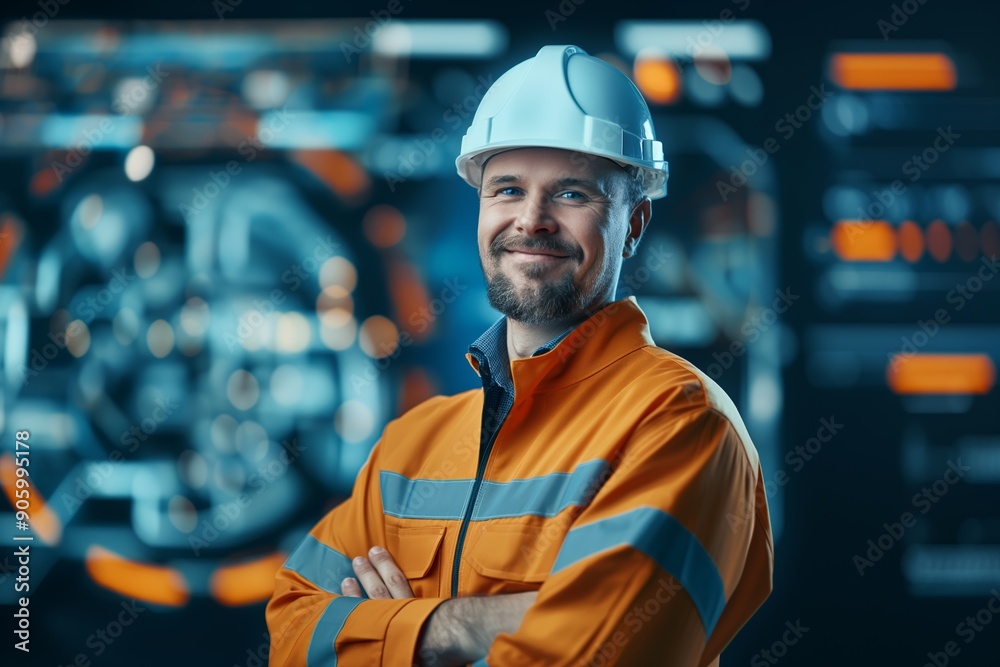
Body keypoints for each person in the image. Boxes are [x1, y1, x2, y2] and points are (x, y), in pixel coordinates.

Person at [266, 44, 773, 666]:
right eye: (507, 189)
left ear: (634, 224)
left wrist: (391, 630)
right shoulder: (411, 447)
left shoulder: (680, 425)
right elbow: (292, 631)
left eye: (572, 195)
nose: (531, 221)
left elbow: (596, 655)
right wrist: (457, 628)